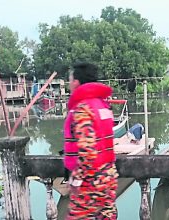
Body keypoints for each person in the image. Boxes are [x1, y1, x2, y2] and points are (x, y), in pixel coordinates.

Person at [63, 62, 118, 219]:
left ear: (77, 82)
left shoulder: (83, 109)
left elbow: (88, 151)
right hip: (109, 175)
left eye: (70, 79)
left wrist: (77, 180)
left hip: (91, 181)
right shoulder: (103, 106)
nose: (69, 83)